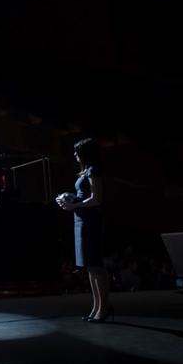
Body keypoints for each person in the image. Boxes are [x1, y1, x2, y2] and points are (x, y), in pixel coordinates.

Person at [56, 138, 112, 322]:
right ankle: (96, 307)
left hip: (90, 221)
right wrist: (69, 200)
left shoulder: (94, 171)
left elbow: (97, 198)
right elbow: (85, 196)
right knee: (90, 267)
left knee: (95, 266)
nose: (74, 155)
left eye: (77, 151)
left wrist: (75, 205)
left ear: (85, 153)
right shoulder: (86, 171)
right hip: (81, 219)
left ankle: (103, 308)